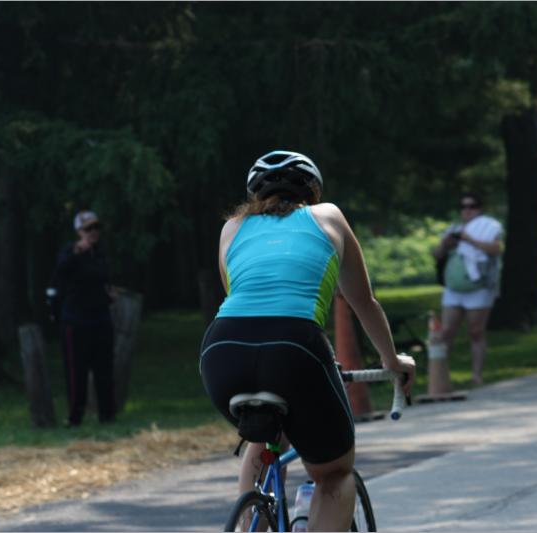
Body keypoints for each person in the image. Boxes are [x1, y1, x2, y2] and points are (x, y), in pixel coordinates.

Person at [199, 150, 416, 531]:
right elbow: (362, 302)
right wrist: (392, 361)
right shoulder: (328, 216)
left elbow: (239, 297)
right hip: (295, 347)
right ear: (312, 191)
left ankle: (253, 522)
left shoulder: (232, 228)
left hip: (221, 348)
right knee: (333, 473)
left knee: (263, 434)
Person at [52, 210, 117, 426]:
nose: (93, 233)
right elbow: (59, 273)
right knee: (76, 371)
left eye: (96, 228)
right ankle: (75, 417)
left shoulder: (100, 255)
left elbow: (103, 281)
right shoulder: (70, 253)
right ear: (79, 231)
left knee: (104, 369)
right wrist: (76, 253)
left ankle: (107, 415)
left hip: (100, 318)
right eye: (88, 229)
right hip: (76, 321)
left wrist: (109, 294)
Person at [433, 192, 503, 386]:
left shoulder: (490, 227)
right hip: (454, 288)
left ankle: (476, 375)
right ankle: (441, 378)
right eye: (463, 206)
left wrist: (469, 239)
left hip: (479, 287)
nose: (467, 210)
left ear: (479, 208)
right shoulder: (454, 229)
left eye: (471, 206)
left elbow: (496, 250)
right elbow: (437, 255)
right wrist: (445, 244)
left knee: (476, 331)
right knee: (446, 332)